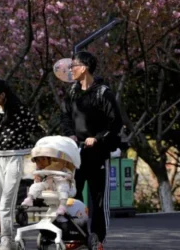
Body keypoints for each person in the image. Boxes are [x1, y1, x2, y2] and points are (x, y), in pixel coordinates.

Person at [60, 51, 123, 248]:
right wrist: (70, 134)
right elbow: (65, 117)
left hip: (98, 154)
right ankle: (77, 236)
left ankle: (98, 238)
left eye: (74, 66)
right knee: (73, 195)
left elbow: (115, 124)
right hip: (76, 154)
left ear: (84, 67)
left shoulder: (103, 93)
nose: (70, 69)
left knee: (97, 200)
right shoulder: (71, 92)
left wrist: (96, 139)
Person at [0, 79, 44, 250]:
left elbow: (37, 130)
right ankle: (9, 240)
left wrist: (38, 155)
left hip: (15, 158)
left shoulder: (21, 111)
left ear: (3, 95)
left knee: (6, 202)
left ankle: (6, 240)